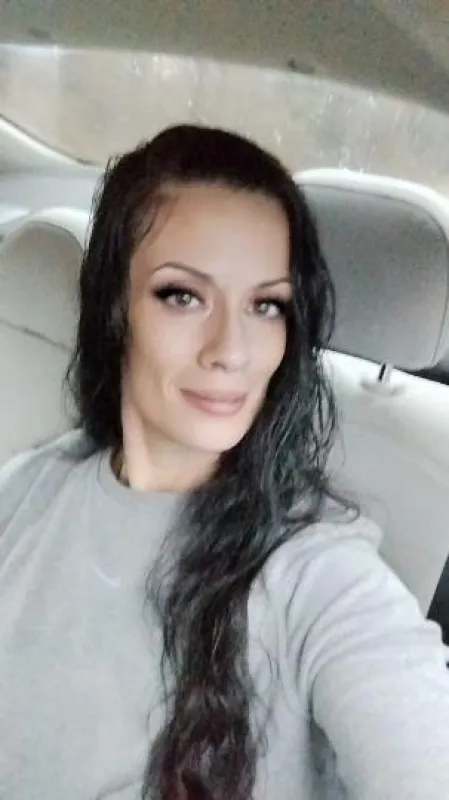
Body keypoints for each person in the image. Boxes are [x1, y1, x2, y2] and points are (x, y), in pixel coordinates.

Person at [0, 125, 448, 800]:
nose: (231, 350)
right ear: (115, 305)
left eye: (266, 305)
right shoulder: (27, 490)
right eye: (183, 296)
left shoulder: (318, 573)